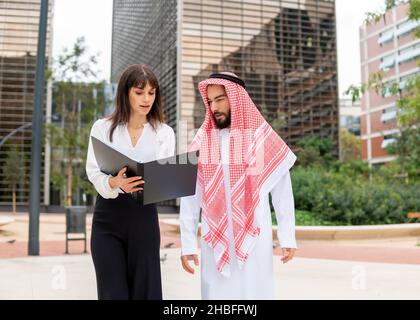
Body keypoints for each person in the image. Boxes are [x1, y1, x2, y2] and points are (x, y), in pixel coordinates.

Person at [179, 72, 297, 299]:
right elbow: (190, 196)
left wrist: (287, 236)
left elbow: (282, 193)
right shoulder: (203, 140)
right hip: (214, 241)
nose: (214, 107)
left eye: (220, 99)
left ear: (237, 97)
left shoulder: (259, 138)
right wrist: (187, 244)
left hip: (254, 239)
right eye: (210, 101)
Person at [86, 64, 175, 300]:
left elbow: (166, 180)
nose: (147, 98)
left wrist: (166, 182)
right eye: (139, 92)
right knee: (112, 293)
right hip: (108, 219)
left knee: (145, 292)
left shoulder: (164, 133)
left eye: (152, 92)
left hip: (144, 218)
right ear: (125, 93)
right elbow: (93, 171)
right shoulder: (102, 128)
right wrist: (114, 183)